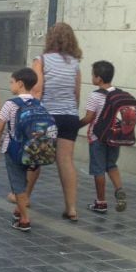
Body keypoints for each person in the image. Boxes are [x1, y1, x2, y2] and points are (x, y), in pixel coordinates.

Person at [25, 22, 82, 222]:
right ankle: (71, 208)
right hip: (69, 117)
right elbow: (76, 93)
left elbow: (37, 90)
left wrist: (32, 113)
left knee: (35, 157)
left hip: (47, 115)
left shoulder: (40, 60)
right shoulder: (75, 64)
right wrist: (71, 113)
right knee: (66, 160)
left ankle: (23, 197)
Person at [0, 67, 39, 232]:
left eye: (11, 82)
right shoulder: (38, 103)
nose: (10, 85)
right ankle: (19, 210)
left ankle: (24, 219)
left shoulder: (10, 104)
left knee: (17, 183)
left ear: (20, 84)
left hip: (13, 149)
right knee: (24, 181)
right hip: (34, 149)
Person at [79, 60, 128, 214]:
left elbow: (88, 118)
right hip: (115, 137)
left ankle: (101, 202)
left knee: (98, 169)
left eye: (93, 74)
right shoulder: (119, 93)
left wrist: (74, 126)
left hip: (98, 137)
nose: (91, 77)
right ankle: (119, 189)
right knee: (111, 165)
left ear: (99, 78)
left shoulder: (95, 95)